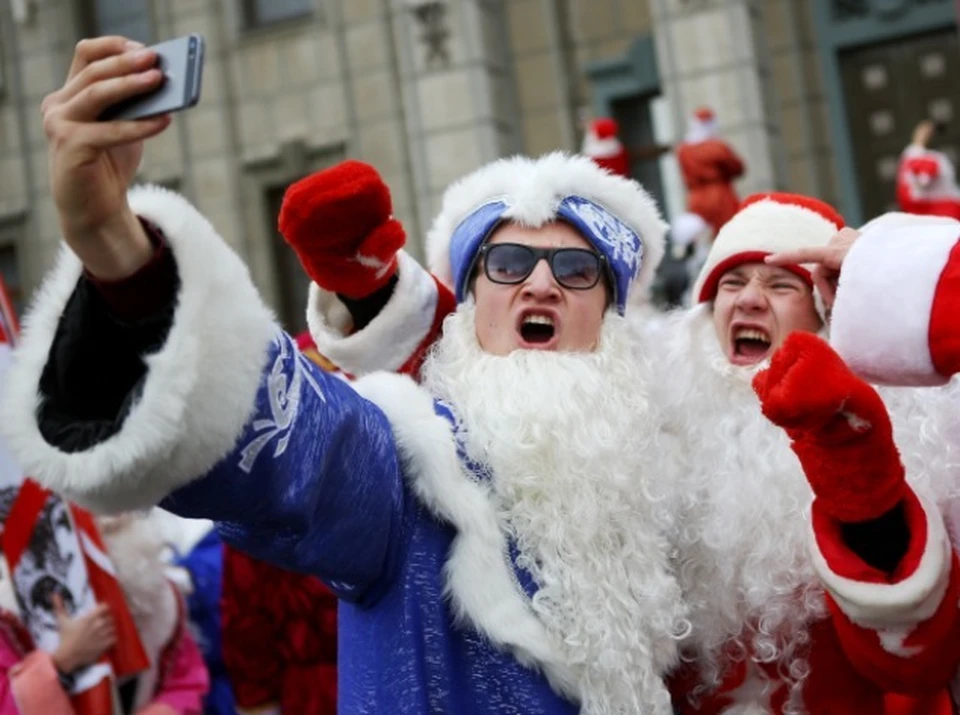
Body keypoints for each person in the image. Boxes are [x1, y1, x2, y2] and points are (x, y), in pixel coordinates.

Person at [2, 35, 702, 715]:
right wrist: (116, 247)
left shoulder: (665, 496)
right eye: (510, 264)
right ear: (468, 307)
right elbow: (290, 441)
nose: (540, 286)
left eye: (577, 271)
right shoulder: (409, 473)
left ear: (612, 318)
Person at [296, 184, 960, 713]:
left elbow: (909, 658)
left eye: (782, 285)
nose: (751, 297)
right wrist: (373, 289)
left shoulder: (906, 442)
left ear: (829, 319)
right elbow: (507, 371)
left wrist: (850, 460)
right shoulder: (650, 430)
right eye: (731, 283)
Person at [676, 107, 745, 236]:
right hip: (721, 195)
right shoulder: (718, 147)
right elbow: (738, 168)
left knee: (699, 235)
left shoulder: (683, 150)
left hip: (696, 197)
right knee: (728, 232)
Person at [895, 120, 960, 221]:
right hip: (938, 214)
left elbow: (922, 182)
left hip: (944, 214)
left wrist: (919, 139)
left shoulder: (932, 159)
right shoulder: (916, 155)